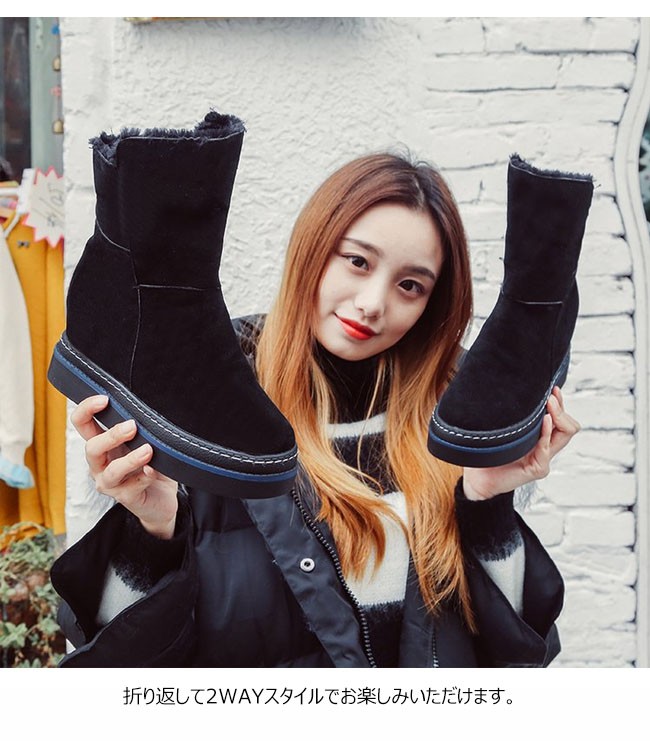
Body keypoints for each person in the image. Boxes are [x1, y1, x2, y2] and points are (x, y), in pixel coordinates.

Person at [51, 152, 575, 668]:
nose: (372, 303)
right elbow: (118, 666)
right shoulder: (197, 408)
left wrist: (487, 505)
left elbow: (514, 662)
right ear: (313, 247)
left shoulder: (459, 415)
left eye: (410, 285)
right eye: (358, 262)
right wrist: (151, 530)